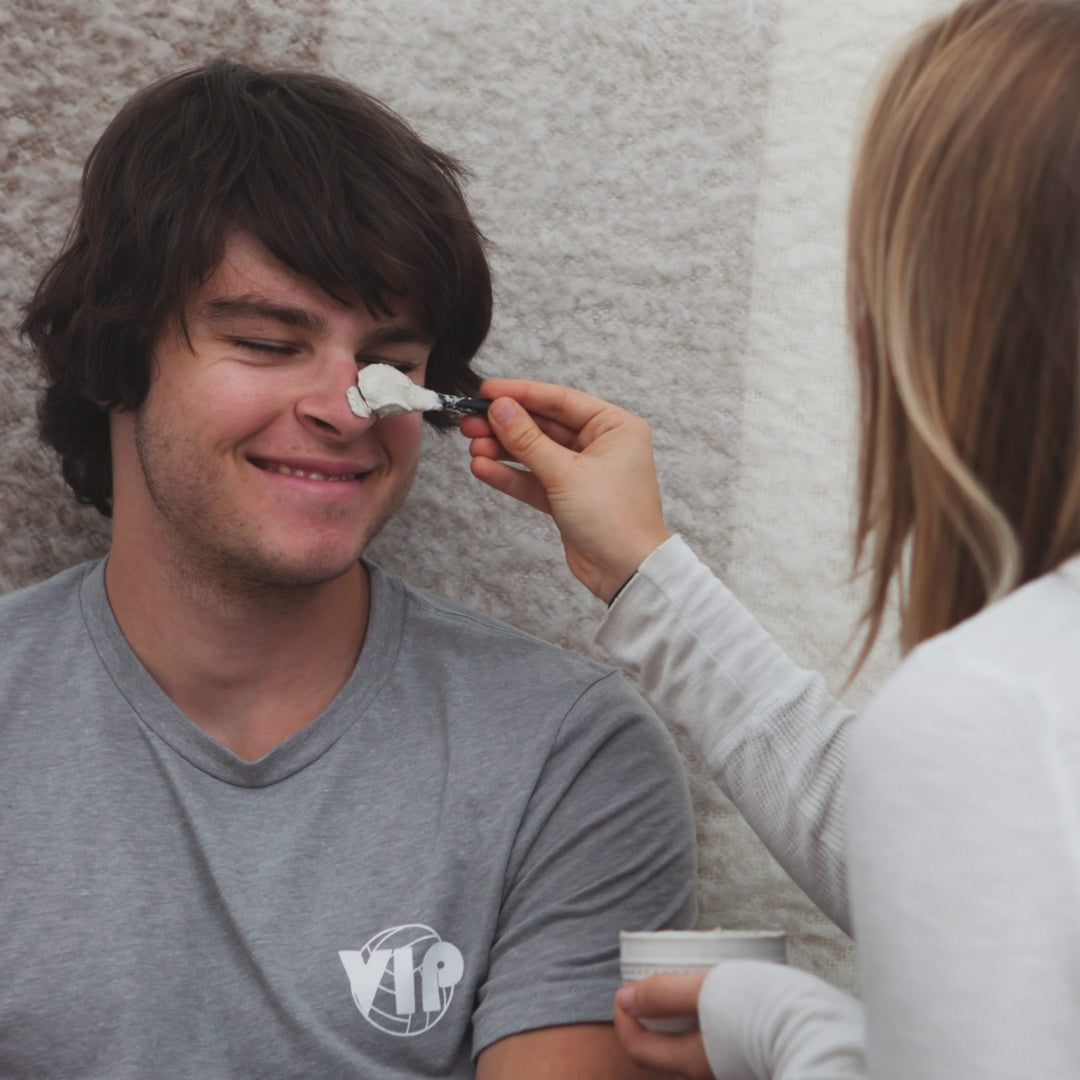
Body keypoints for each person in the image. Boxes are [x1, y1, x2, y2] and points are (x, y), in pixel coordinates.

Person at [0, 60, 697, 1078]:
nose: (346, 407)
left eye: (394, 365)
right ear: (118, 355)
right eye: (267, 342)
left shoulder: (567, 762)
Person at [462, 0, 1080, 1076]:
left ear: (948, 317)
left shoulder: (999, 709)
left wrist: (811, 1040)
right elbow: (960, 845)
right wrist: (646, 574)